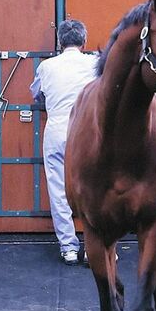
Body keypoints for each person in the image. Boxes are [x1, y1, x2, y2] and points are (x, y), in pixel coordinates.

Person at [30, 19, 98, 264]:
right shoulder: (95, 63)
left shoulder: (47, 66)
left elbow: (36, 92)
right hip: (87, 131)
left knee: (58, 190)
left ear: (60, 42)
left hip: (57, 130)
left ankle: (68, 247)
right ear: (84, 41)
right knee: (93, 190)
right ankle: (93, 247)